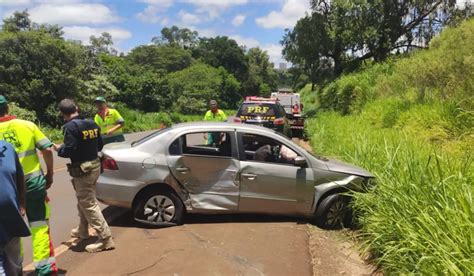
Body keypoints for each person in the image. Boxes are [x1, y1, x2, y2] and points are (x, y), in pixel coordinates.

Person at [0, 95, 57, 276]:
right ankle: (44, 269)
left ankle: (17, 269)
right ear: (8, 108)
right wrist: (50, 173)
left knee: (13, 230)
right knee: (39, 225)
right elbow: (47, 149)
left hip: (6, 188)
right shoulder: (27, 125)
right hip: (32, 183)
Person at [54, 99, 115, 253]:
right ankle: (83, 230)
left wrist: (58, 149)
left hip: (83, 171)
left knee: (88, 203)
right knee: (83, 200)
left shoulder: (70, 127)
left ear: (62, 114)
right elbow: (99, 145)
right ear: (77, 108)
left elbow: (69, 150)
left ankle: (106, 238)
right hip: (95, 167)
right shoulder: (92, 123)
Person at [0, 140, 31, 276]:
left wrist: (22, 204)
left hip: (11, 218)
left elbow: (19, 176)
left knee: (15, 265)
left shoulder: (7, 147)